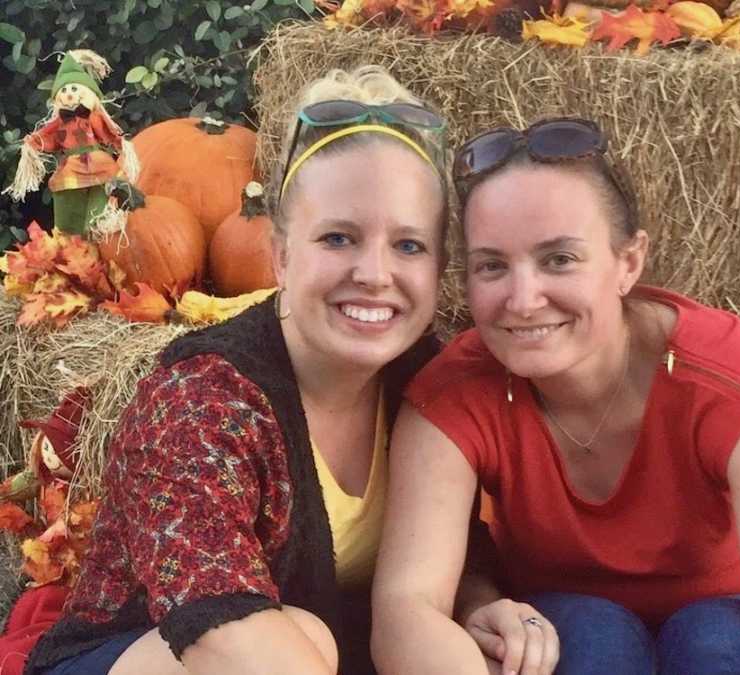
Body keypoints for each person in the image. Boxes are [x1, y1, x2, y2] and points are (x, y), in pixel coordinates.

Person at [372, 117, 740, 675]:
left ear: (628, 262)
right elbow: (407, 609)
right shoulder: (453, 395)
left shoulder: (736, 382)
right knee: (590, 638)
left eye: (559, 259)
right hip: (565, 633)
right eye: (493, 266)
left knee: (712, 642)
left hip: (729, 624)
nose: (524, 299)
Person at [24, 65, 449, 675]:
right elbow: (223, 632)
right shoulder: (201, 395)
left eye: (409, 245)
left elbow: (456, 557)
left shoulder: (425, 378)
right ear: (279, 253)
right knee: (303, 636)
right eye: (337, 238)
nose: (376, 274)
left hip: (309, 652)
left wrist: (486, 602)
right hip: (159, 651)